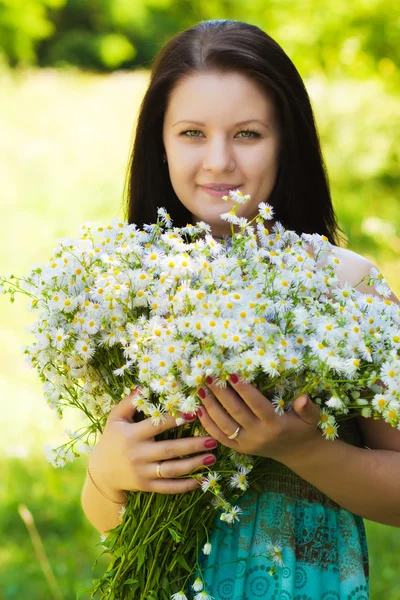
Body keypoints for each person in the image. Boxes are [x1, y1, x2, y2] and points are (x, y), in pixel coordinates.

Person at [81, 19, 400, 599]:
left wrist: (299, 448)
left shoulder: (348, 288)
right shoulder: (130, 289)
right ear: (160, 143)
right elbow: (114, 522)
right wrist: (107, 474)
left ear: (288, 141)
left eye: (248, 134)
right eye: (192, 133)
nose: (219, 161)